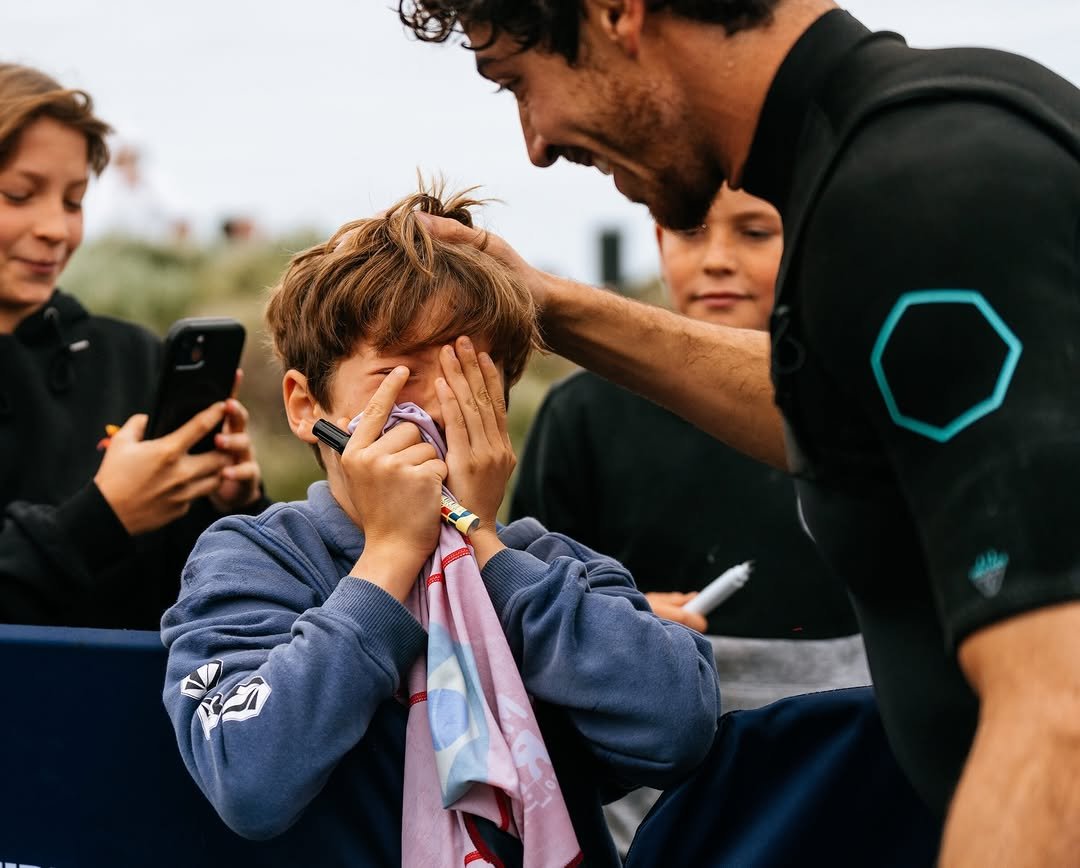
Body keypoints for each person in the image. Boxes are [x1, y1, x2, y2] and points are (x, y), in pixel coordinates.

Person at [397, 1, 1080, 863]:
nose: (536, 140)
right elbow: (852, 417)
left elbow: (1059, 716)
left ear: (616, 13)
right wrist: (556, 308)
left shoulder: (919, 195)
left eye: (519, 83)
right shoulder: (926, 129)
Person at [160, 186, 720, 866]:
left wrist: (481, 540)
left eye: (467, 375)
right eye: (397, 370)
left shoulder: (547, 564)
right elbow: (249, 777)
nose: (432, 404)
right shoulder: (255, 559)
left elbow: (677, 727)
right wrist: (392, 555)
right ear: (307, 406)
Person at [511, 183, 868, 852]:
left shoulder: (862, 410)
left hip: (845, 800)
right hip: (652, 827)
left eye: (755, 233)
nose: (717, 260)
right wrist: (619, 627)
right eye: (689, 229)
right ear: (656, 240)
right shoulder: (584, 416)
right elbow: (522, 610)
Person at [0, 63, 266, 629]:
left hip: (133, 708)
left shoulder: (130, 357)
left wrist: (230, 507)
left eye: (73, 201)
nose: (56, 228)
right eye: (19, 194)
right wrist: (103, 519)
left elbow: (193, 590)